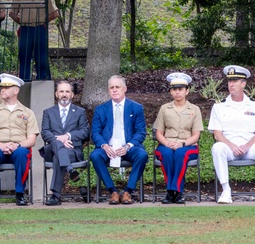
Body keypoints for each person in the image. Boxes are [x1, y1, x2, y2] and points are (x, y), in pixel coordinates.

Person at [209, 65, 255, 204]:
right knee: (217, 148)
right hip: (228, 147)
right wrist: (232, 145)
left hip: (250, 147)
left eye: (235, 81)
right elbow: (217, 134)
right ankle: (226, 190)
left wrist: (247, 146)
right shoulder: (219, 106)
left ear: (243, 83)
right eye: (229, 81)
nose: (231, 84)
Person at [0, 74, 39, 206]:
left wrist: (17, 145)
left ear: (16, 90)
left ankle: (20, 193)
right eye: (2, 87)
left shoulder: (27, 112)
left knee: (22, 153)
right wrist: (1, 146)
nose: (2, 90)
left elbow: (31, 140)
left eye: (7, 87)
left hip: (18, 148)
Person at [89, 75, 148, 205]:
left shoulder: (136, 108)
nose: (114, 90)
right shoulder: (100, 109)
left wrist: (127, 146)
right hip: (107, 148)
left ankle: (128, 192)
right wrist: (104, 146)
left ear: (124, 89)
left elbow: (141, 132)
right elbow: (95, 133)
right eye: (112, 87)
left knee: (142, 155)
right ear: (108, 90)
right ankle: (113, 191)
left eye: (117, 87)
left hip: (128, 147)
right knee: (95, 155)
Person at [154, 72, 203, 204]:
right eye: (174, 89)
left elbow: (196, 135)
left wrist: (182, 144)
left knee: (180, 154)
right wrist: (167, 143)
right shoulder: (165, 109)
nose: (177, 92)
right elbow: (158, 133)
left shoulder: (194, 109)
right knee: (168, 155)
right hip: (166, 144)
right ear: (170, 92)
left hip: (188, 146)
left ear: (187, 91)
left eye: (180, 89)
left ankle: (175, 192)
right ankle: (173, 193)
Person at [40, 80, 89, 206]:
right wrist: (59, 140)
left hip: (72, 150)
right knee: (57, 145)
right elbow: (45, 132)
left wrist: (67, 136)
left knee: (59, 156)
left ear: (72, 95)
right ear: (56, 94)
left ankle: (55, 196)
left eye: (67, 91)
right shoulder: (48, 112)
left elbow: (85, 132)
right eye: (61, 91)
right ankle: (70, 170)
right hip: (51, 150)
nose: (64, 94)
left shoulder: (80, 112)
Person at [9, 0, 59, 81]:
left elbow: (55, 13)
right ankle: (24, 80)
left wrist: (43, 21)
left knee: (41, 56)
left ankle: (43, 79)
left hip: (40, 29)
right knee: (24, 55)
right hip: (26, 29)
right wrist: (21, 22)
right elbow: (12, 13)